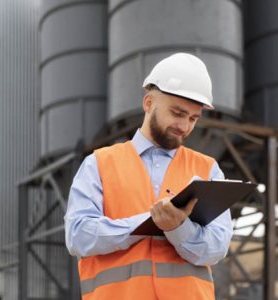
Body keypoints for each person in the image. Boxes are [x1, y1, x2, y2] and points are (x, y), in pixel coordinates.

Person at [64, 53, 233, 300]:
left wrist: (179, 227)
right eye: (177, 113)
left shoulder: (207, 169)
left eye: (193, 118)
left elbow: (217, 247)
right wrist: (149, 223)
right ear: (148, 103)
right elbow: (78, 235)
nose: (184, 126)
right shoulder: (99, 164)